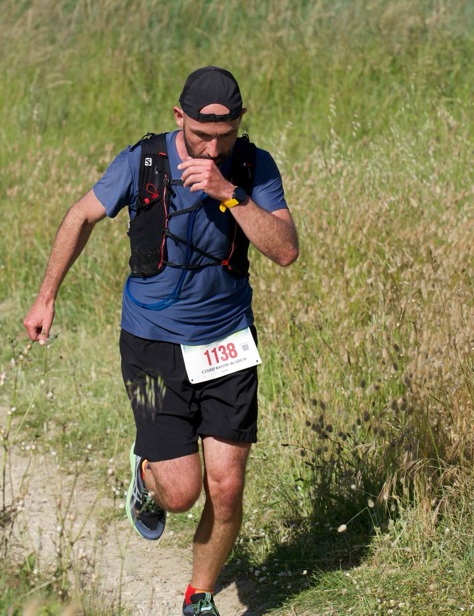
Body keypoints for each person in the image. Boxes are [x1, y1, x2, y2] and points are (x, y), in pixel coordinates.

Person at [23, 66, 298, 616]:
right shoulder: (143, 162)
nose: (213, 148)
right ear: (179, 118)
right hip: (150, 346)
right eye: (201, 135)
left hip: (228, 343)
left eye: (225, 136)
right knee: (181, 493)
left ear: (241, 123)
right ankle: (146, 473)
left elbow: (286, 249)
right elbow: (80, 216)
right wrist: (46, 296)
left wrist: (229, 194)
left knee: (227, 487)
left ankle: (199, 596)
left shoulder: (252, 166)